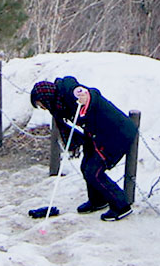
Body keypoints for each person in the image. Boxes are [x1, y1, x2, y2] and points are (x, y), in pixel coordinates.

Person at [30, 74, 135, 220]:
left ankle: (121, 206)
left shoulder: (68, 91)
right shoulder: (59, 104)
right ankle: (98, 201)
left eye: (41, 105)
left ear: (46, 98)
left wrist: (85, 98)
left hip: (116, 132)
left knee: (94, 171)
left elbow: (88, 95)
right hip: (97, 133)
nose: (43, 108)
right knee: (86, 166)